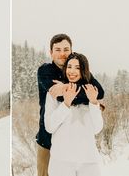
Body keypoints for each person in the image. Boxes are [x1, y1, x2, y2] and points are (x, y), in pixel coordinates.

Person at [36, 34, 104, 176]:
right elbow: (56, 93)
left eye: (66, 49)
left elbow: (99, 92)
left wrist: (92, 100)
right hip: (47, 140)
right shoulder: (46, 71)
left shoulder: (78, 70)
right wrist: (85, 95)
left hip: (81, 149)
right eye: (58, 49)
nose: (62, 53)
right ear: (51, 52)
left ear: (71, 50)